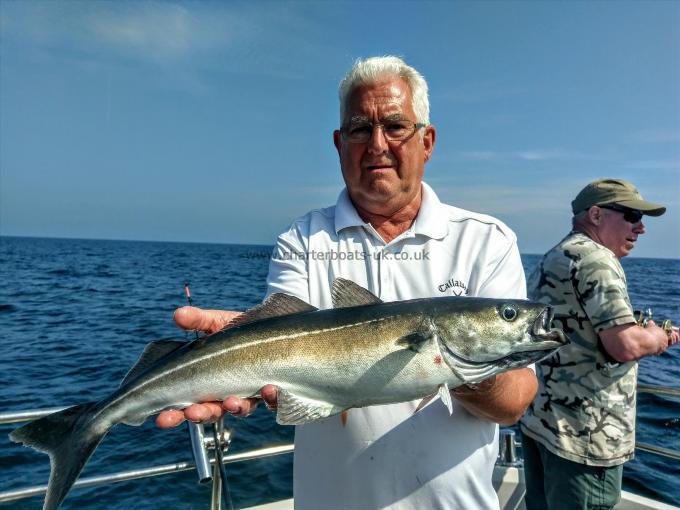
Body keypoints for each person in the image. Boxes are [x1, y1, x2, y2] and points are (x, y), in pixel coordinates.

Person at [158, 56, 538, 509]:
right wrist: (246, 352)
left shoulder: (485, 240)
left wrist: (449, 359)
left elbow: (514, 402)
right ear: (339, 144)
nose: (377, 144)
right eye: (360, 129)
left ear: (427, 141)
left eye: (396, 126)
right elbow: (283, 337)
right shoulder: (302, 239)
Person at [519, 178, 679, 510]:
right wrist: (658, 336)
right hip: (586, 439)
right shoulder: (597, 260)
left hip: (543, 427)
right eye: (632, 216)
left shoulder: (552, 258)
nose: (641, 228)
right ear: (595, 215)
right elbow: (625, 345)